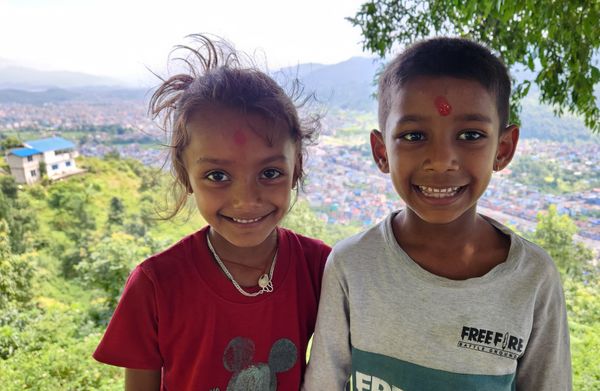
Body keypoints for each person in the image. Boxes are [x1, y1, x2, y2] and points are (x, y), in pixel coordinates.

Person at [303, 37, 571, 390]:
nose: (442, 159)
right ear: (381, 152)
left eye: (470, 134)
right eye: (414, 136)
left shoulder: (533, 280)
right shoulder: (352, 265)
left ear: (503, 149)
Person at [93, 34, 331, 391]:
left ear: (295, 169)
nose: (245, 199)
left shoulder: (321, 269)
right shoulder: (156, 287)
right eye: (217, 176)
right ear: (185, 178)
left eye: (269, 173)